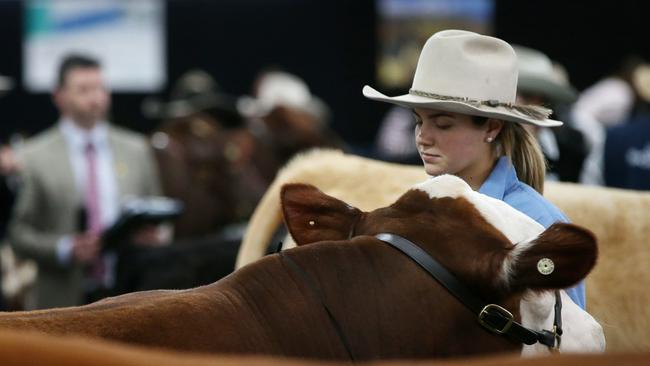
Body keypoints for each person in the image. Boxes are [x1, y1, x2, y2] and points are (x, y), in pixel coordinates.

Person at [362, 30, 585, 309]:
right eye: (419, 121)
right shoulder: (417, 210)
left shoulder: (538, 220)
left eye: (443, 124)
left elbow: (568, 339)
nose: (422, 136)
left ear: (492, 128)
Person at [8, 54, 162, 309]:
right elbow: (18, 234)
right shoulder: (33, 156)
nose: (96, 98)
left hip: (131, 293)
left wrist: (155, 236)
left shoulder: (137, 149)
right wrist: (63, 248)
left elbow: (159, 209)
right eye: (84, 89)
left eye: (101, 88)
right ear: (59, 96)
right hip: (62, 299)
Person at [512, 45, 588, 182]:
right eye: (527, 95)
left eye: (545, 100)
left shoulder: (569, 149)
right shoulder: (484, 145)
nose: (537, 107)